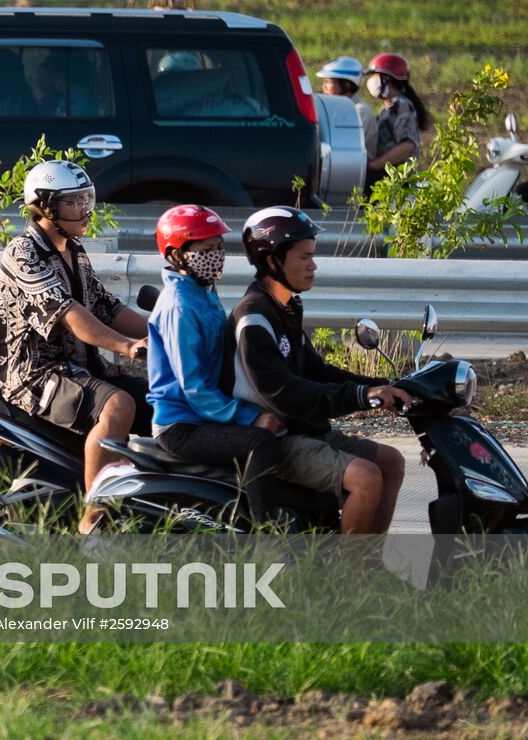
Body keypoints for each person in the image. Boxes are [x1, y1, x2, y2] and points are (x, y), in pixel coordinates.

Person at [229, 206, 410, 533]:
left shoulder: (286, 306)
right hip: (276, 440)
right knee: (366, 478)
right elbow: (284, 393)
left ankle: (371, 568)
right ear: (272, 261)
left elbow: (318, 371)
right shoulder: (253, 317)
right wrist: (360, 396)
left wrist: (386, 386)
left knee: (392, 462)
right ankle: (346, 580)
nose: (313, 265)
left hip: (305, 431)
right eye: (304, 257)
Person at [0, 160, 150, 491]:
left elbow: (107, 307)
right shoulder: (24, 252)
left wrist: (164, 334)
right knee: (119, 406)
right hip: (36, 374)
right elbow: (69, 315)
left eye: (85, 199)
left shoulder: (73, 249)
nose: (84, 209)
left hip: (81, 368)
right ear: (45, 206)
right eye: (73, 202)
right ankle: (94, 514)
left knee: (163, 401)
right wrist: (127, 346)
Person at [146, 205, 284, 522]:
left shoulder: (202, 291)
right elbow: (194, 387)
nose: (216, 255)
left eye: (219, 247)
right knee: (260, 443)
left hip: (204, 413)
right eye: (206, 250)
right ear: (177, 255)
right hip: (183, 425)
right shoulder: (180, 305)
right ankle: (269, 537)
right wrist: (247, 418)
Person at [364, 53, 431, 185]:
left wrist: (374, 165)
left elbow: (407, 146)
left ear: (386, 79)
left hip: (396, 178)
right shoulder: (389, 108)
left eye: (375, 76)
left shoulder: (401, 106)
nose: (371, 80)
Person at [316, 56, 377, 156]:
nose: (324, 87)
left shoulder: (360, 111)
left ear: (347, 85)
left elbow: (343, 145)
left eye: (328, 82)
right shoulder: (336, 109)